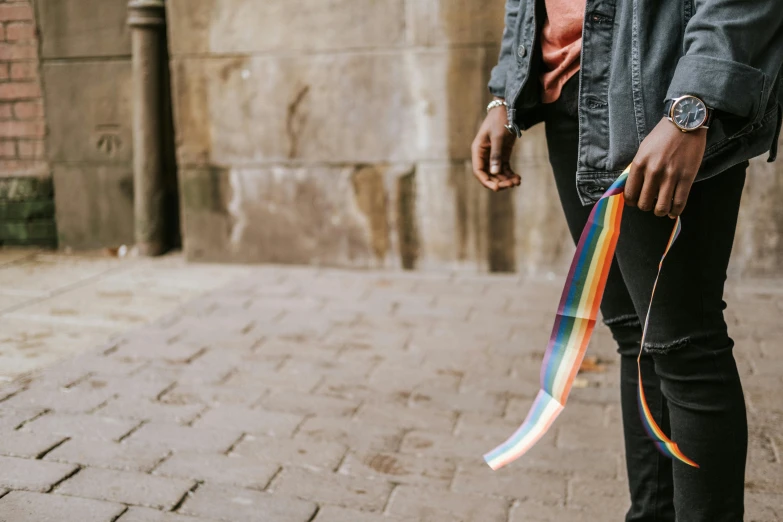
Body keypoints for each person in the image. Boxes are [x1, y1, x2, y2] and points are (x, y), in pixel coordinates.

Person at [471, 1, 783, 521]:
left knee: (684, 346)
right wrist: (505, 93)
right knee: (634, 338)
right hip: (563, 94)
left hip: (659, 92)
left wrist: (694, 103)